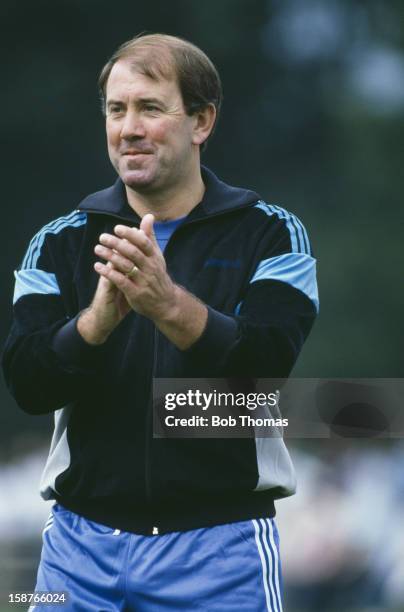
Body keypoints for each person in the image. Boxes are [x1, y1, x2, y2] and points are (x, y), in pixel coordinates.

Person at [2, 33, 319, 611]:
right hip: (78, 548)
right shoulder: (58, 241)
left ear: (202, 121)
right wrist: (96, 322)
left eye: (150, 108)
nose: (129, 128)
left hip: (220, 550)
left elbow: (266, 370)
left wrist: (167, 304)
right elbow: (27, 383)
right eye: (116, 110)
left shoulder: (271, 234)